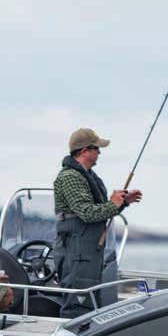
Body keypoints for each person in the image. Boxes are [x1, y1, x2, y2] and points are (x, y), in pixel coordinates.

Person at [53, 127, 142, 318]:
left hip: (88, 250)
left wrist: (122, 203)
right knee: (77, 302)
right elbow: (86, 213)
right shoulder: (70, 177)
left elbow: (101, 211)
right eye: (96, 148)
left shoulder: (88, 176)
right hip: (76, 251)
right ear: (84, 150)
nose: (99, 152)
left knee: (90, 299)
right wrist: (112, 204)